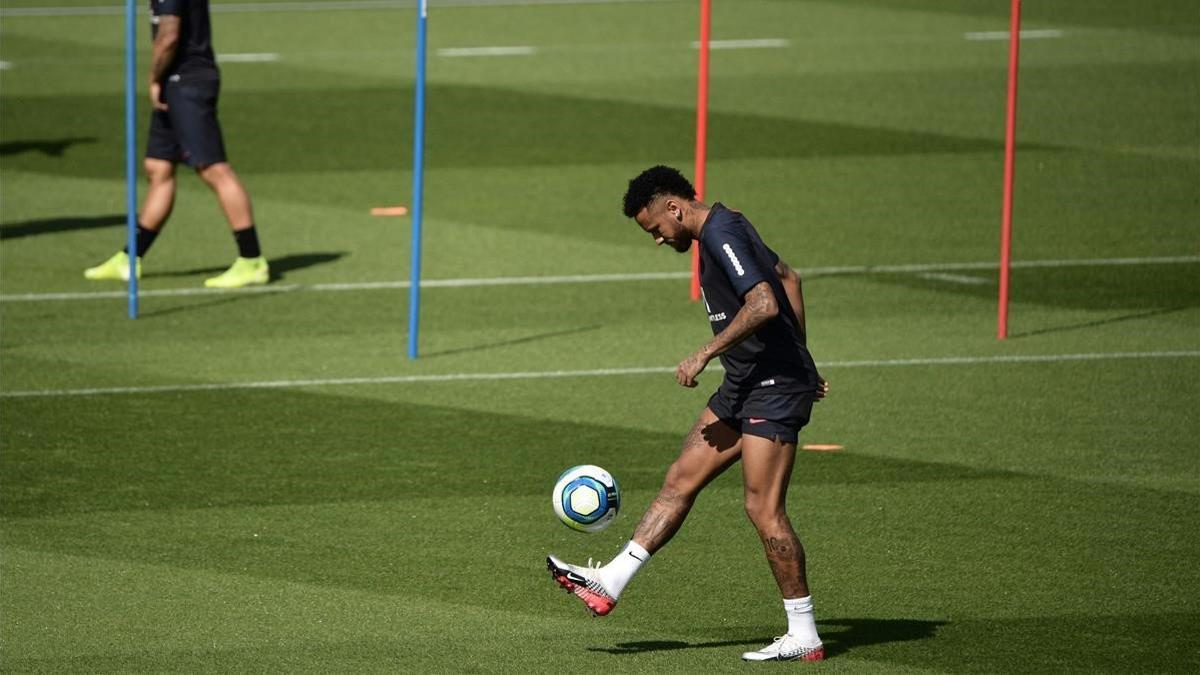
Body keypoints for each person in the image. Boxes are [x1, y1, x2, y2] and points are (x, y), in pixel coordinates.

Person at [546, 165, 830, 662]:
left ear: (675, 208)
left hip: (771, 390)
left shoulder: (721, 232)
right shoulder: (725, 227)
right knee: (679, 479)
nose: (657, 239)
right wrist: (800, 354)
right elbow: (789, 277)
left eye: (656, 228)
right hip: (744, 384)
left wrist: (706, 353)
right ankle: (610, 581)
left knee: (763, 509)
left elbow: (764, 303)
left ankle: (803, 632)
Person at [84, 0, 268, 288]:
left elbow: (169, 35)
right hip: (176, 82)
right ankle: (130, 257)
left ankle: (252, 260)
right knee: (158, 167)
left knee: (213, 169)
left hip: (187, 83)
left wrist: (153, 77)